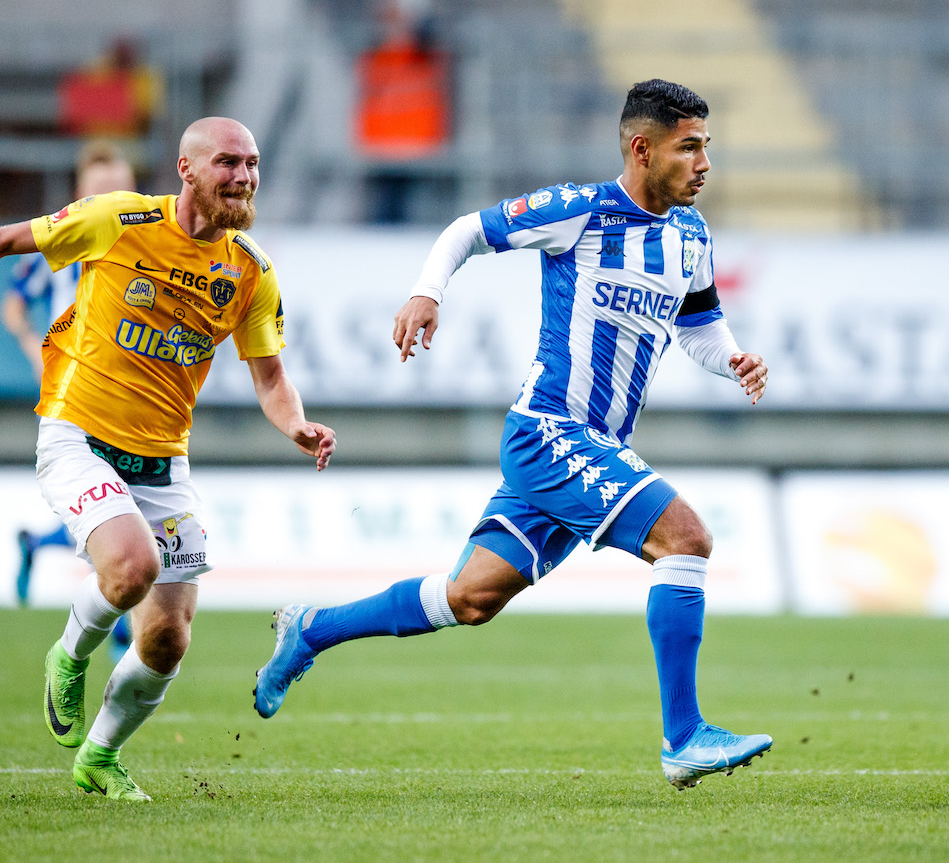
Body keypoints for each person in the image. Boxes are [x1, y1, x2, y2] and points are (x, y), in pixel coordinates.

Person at [255, 79, 773, 790]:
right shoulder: (581, 213)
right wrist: (427, 292)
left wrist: (732, 358)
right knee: (686, 539)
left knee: (468, 599)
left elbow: (699, 327)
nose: (705, 162)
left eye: (707, 146)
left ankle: (312, 629)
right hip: (551, 432)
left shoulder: (690, 235)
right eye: (690, 147)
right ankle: (683, 737)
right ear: (643, 148)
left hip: (593, 450)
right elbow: (466, 230)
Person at [0, 117, 337, 801]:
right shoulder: (114, 219)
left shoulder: (249, 271)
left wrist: (296, 424)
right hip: (78, 435)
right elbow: (12, 240)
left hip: (162, 463)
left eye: (251, 163)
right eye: (227, 163)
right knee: (132, 567)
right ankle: (68, 655)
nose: (242, 176)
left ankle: (99, 755)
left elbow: (270, 379)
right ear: (187, 171)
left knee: (168, 639)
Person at [6, 141, 138, 668]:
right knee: (121, 503)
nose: (112, 200)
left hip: (129, 391)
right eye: (101, 191)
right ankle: (119, 624)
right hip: (77, 389)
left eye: (120, 189)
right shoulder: (65, 247)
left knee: (116, 506)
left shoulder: (145, 244)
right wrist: (37, 352)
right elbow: (15, 306)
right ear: (82, 195)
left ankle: (40, 545)